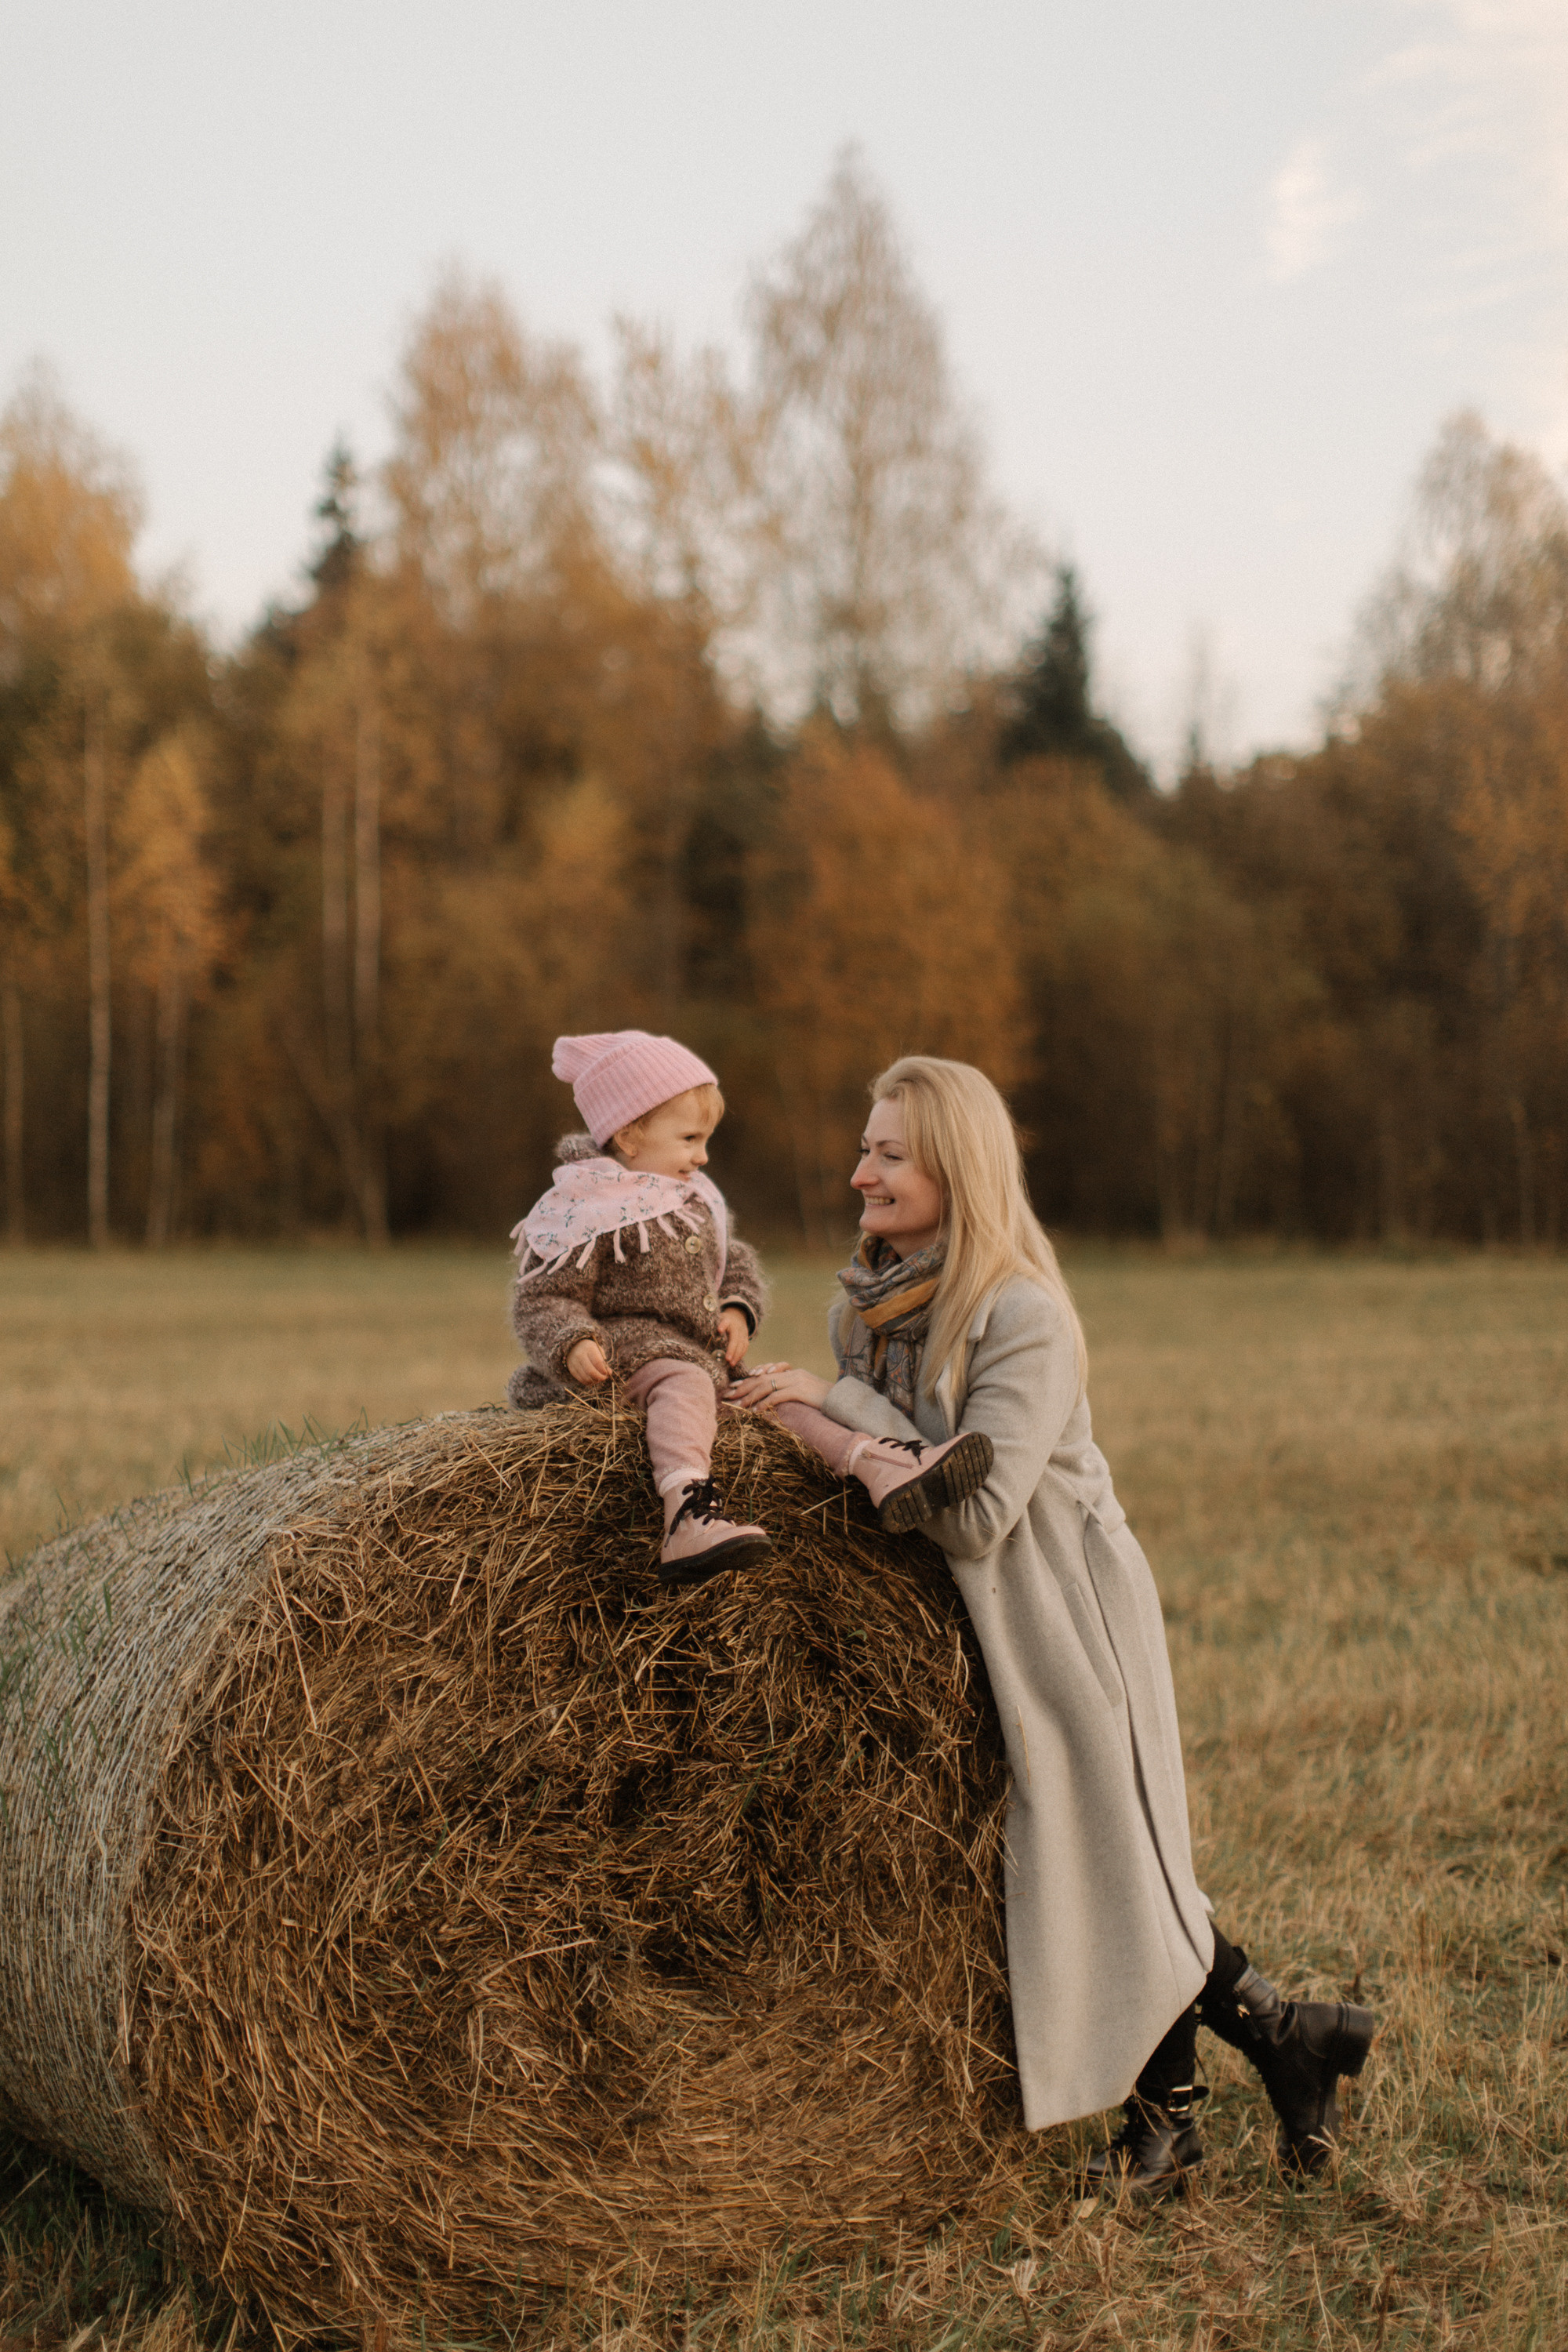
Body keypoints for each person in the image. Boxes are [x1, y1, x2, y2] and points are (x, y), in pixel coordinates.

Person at [728, 1055, 1376, 2192]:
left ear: (955, 1166)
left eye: (887, 1153)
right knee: (1096, 1861)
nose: (857, 1172)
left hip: (1062, 1607)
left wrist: (831, 1410)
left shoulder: (1022, 1314)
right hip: (965, 1616)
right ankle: (1283, 2041)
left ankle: (1177, 2125)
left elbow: (975, 1513)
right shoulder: (862, 1305)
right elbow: (886, 1481)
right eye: (864, 1148)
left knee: (1109, 1859)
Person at [508, 1030, 985, 1586]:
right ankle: (687, 1512)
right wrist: (573, 1343)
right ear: (629, 1134)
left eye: (705, 1138)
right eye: (689, 1137)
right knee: (685, 1383)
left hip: (698, 1361)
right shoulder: (582, 1208)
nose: (702, 1155)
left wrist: (737, 1308)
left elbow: (732, 1262)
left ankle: (878, 1463)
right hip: (624, 1365)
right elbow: (543, 1298)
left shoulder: (692, 1199)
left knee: (774, 1398)